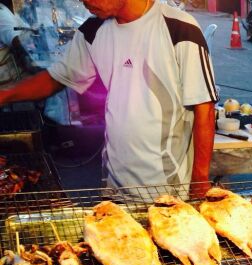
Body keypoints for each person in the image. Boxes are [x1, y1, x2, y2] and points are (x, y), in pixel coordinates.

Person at [0, 0, 217, 197]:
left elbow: (204, 108)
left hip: (168, 191)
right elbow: (56, 78)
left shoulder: (179, 28)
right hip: (115, 187)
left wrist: (200, 181)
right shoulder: (92, 30)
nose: (83, 2)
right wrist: (5, 95)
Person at [0, 1, 38, 85]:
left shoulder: (8, 10)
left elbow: (26, 29)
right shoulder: (2, 13)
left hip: (18, 73)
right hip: (12, 80)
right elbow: (17, 41)